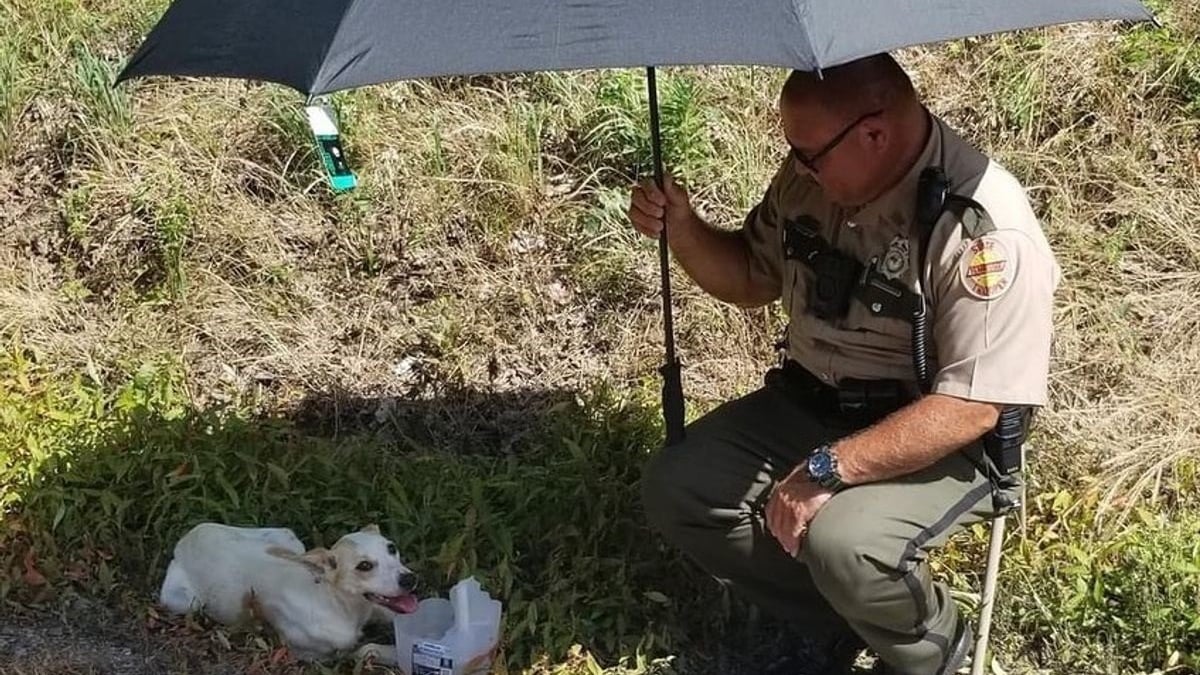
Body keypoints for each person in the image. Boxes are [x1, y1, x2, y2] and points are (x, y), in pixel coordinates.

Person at [628, 53, 1060, 675]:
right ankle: (840, 619)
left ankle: (932, 652)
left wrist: (826, 471)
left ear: (875, 134)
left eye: (808, 154)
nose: (797, 166)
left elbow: (973, 405)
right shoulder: (816, 178)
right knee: (681, 487)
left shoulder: (983, 229)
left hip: (936, 437)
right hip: (809, 402)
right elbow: (753, 275)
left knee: (845, 543)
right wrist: (684, 229)